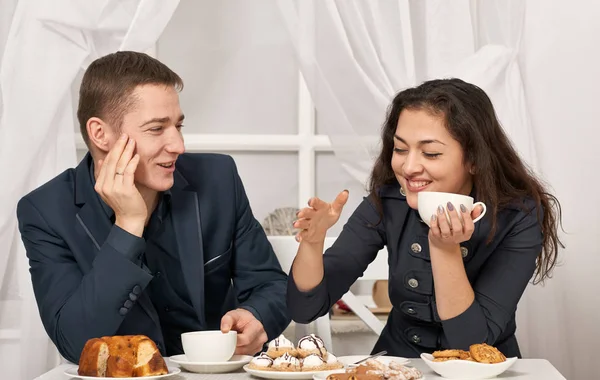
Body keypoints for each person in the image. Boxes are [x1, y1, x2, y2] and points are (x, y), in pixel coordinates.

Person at [16, 51, 290, 363]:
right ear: (100, 134)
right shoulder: (46, 212)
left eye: (178, 125)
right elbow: (75, 343)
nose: (178, 146)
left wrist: (257, 316)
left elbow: (271, 285)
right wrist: (128, 225)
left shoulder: (218, 180)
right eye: (157, 129)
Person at [287, 78, 563, 358]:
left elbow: (471, 344)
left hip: (484, 370)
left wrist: (445, 248)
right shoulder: (387, 201)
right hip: (397, 364)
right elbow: (305, 309)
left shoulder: (518, 216)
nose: (408, 167)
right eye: (400, 149)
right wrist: (312, 242)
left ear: (474, 159)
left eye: (431, 153)